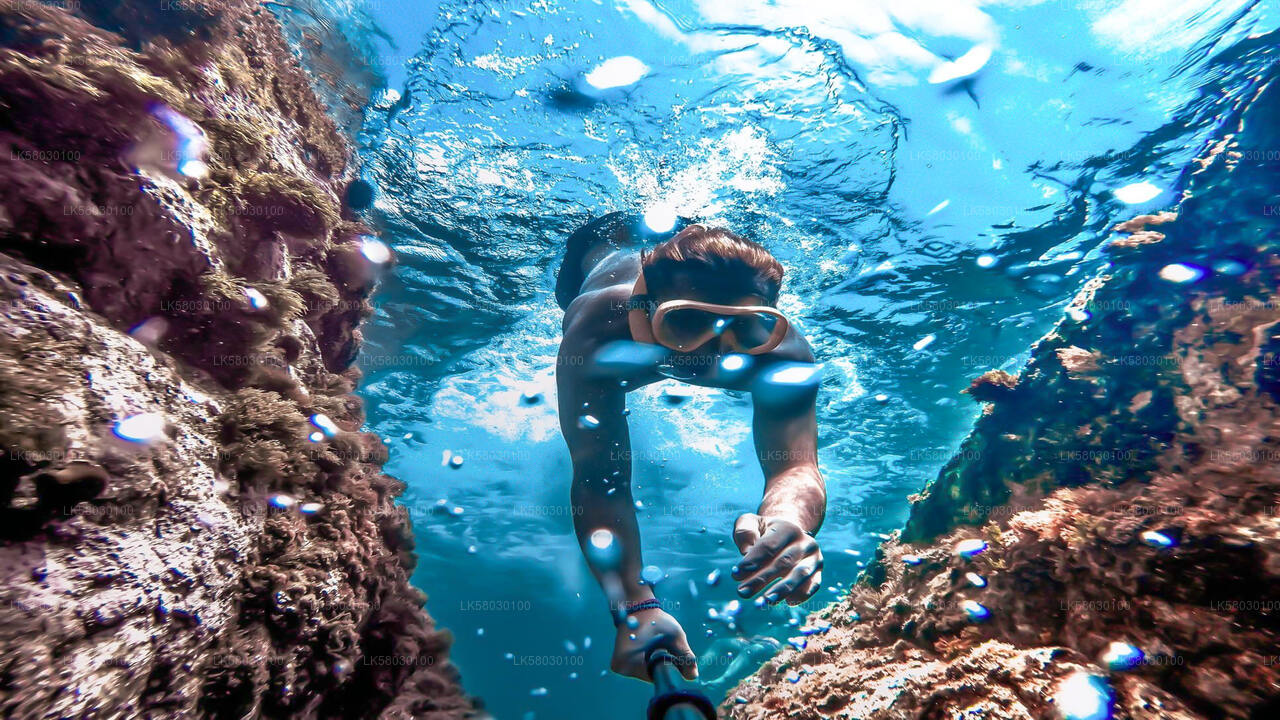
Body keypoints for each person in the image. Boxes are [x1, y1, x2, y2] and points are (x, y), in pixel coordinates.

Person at [555, 212, 826, 682]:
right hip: (595, 246)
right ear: (642, 306)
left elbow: (796, 467)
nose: (714, 353)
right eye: (685, 324)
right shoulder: (596, 330)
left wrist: (788, 520)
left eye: (745, 330)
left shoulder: (783, 353)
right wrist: (634, 605)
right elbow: (599, 478)